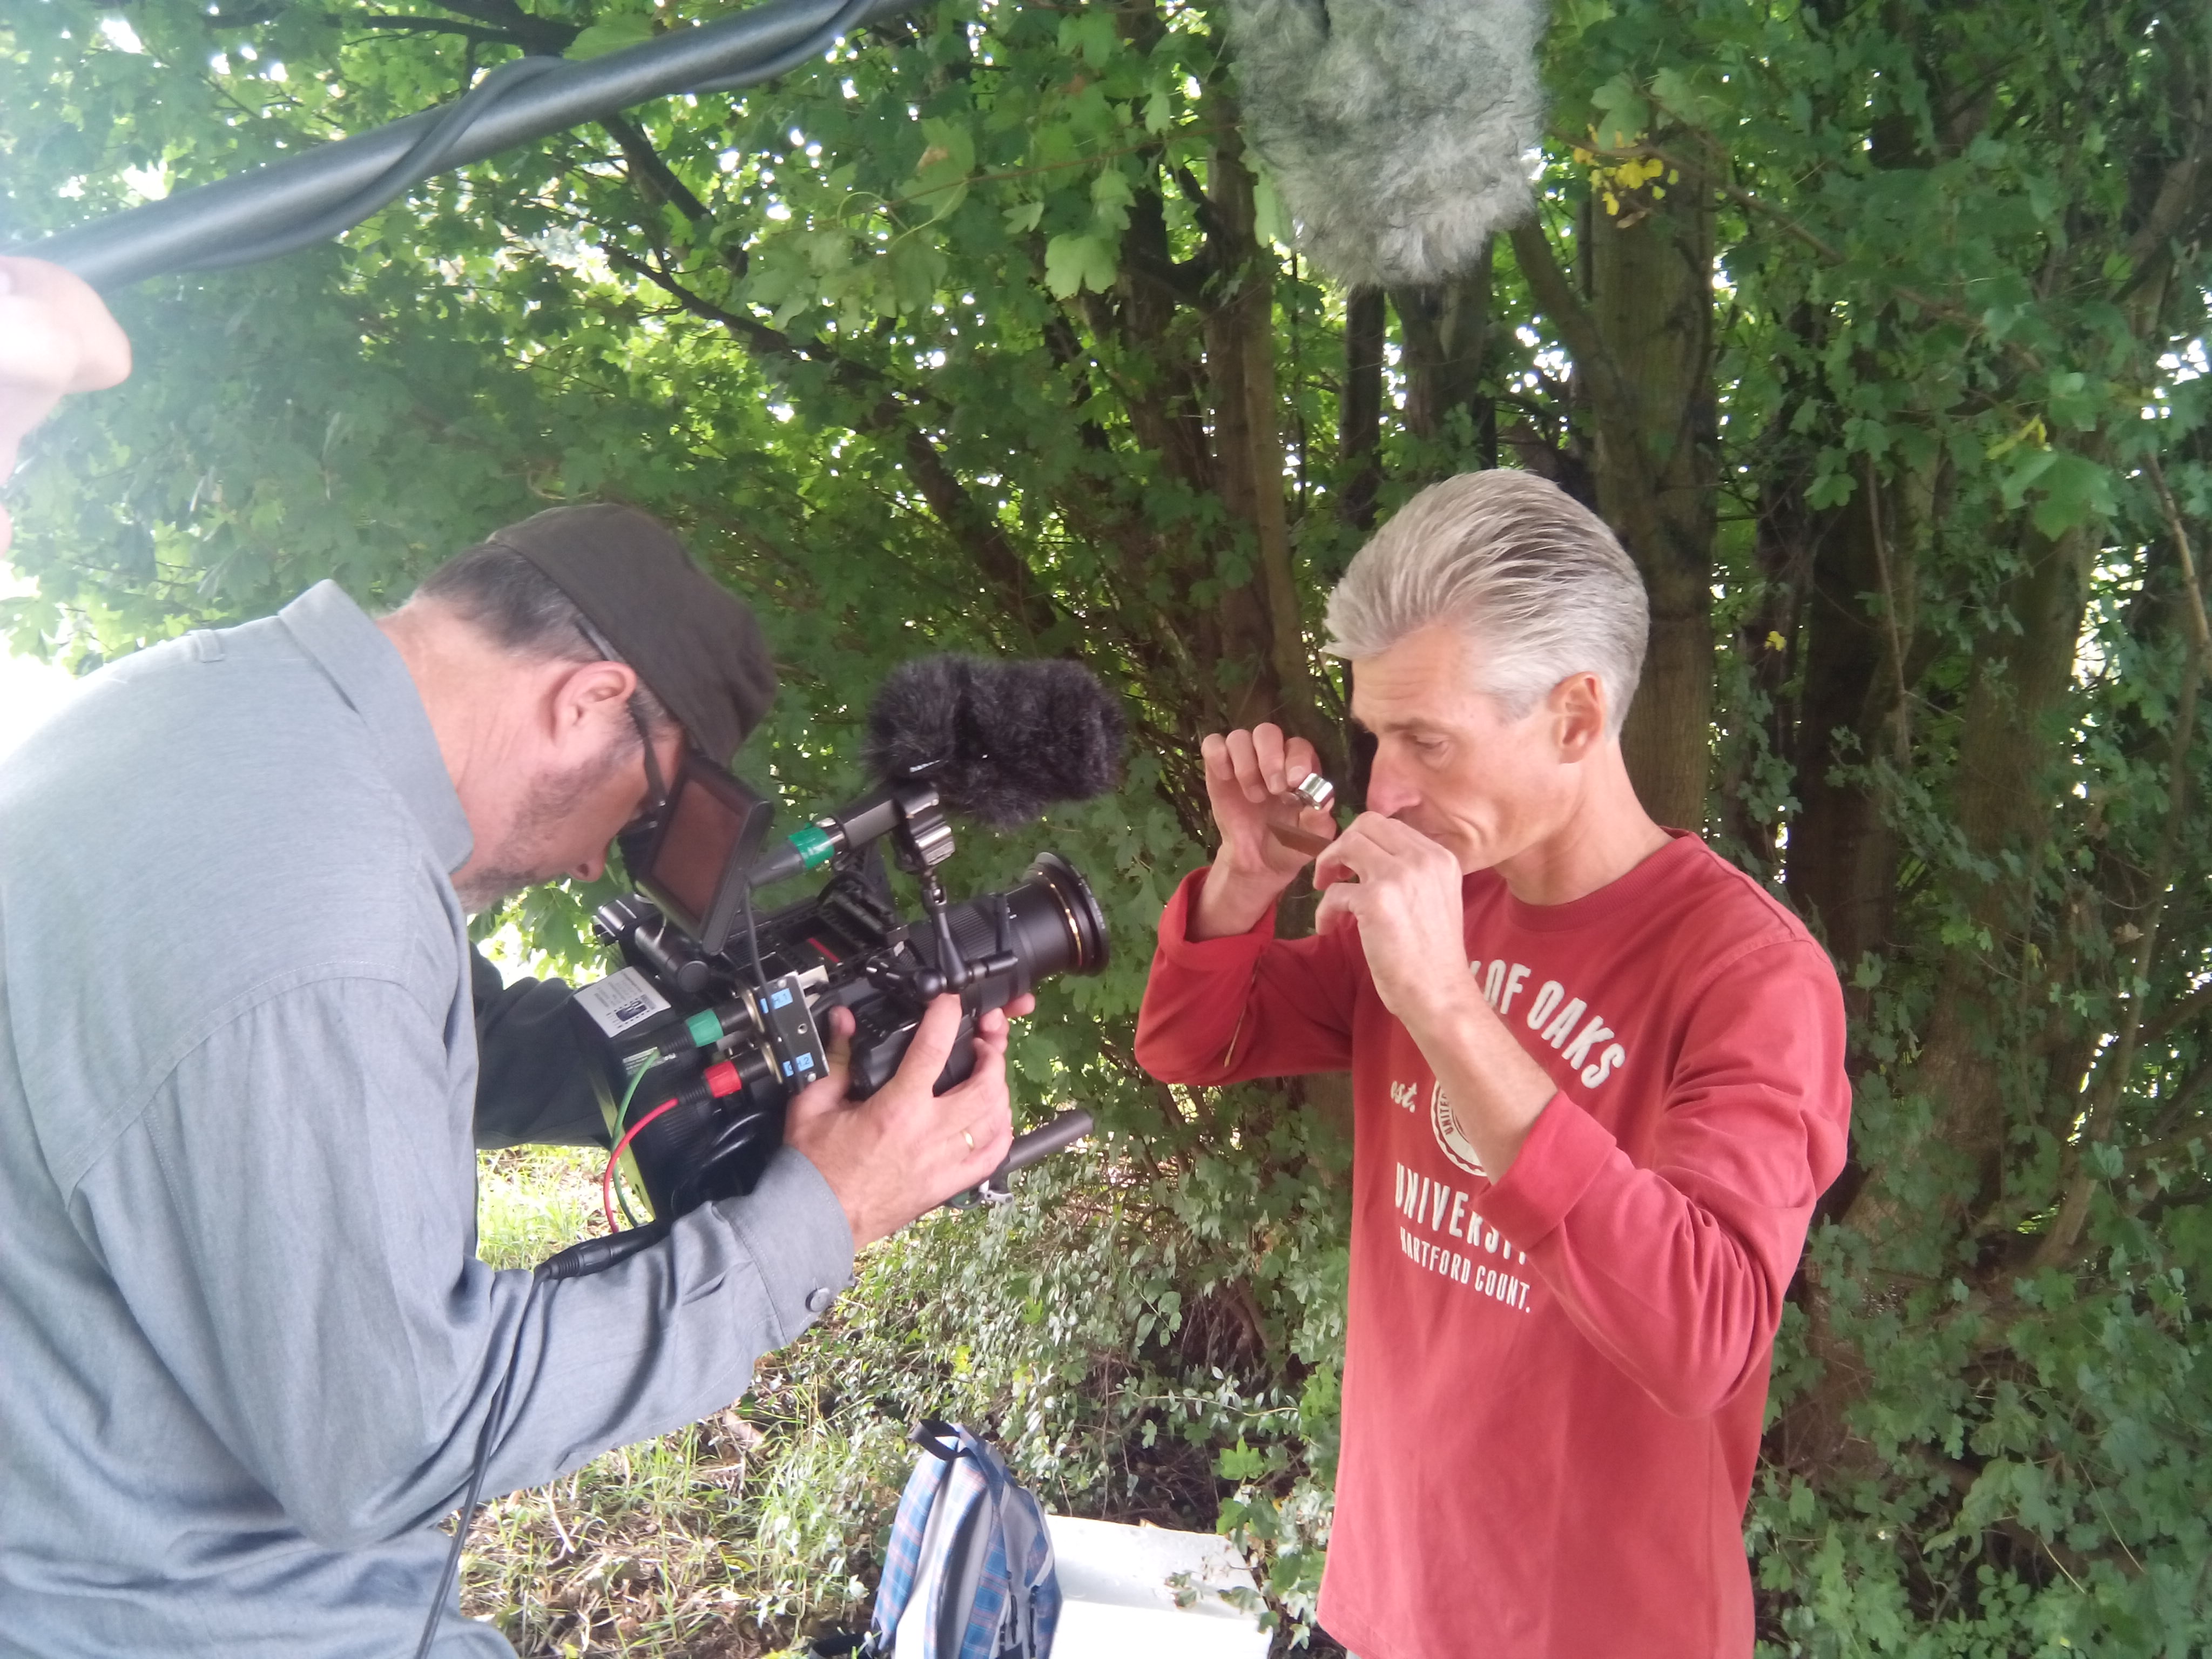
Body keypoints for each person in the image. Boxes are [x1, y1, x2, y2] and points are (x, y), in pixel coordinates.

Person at [0, 254, 1025, 1657]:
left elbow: (402, 1051)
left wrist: (681, 1046)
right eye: (642, 810)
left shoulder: (216, 715)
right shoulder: (327, 913)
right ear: (589, 701)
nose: (606, 861)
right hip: (191, 1613)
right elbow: (398, 1436)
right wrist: (819, 1220)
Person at [1135, 470, 1851, 1658]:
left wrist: (1450, 1010)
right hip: (1391, 1595)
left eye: (1427, 741)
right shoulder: (1440, 894)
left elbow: (1705, 1337)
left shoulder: (1747, 974)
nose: (1387, 791)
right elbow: (1192, 1042)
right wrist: (1246, 881)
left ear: (1575, 718)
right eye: (1376, 738)